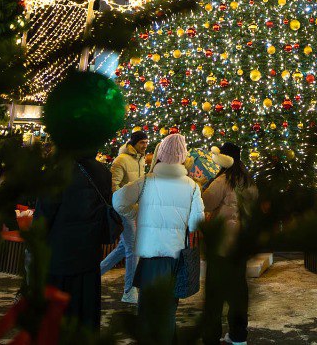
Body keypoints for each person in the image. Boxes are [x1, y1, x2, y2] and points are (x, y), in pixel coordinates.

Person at [114, 133, 205, 344]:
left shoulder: (146, 181)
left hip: (149, 256)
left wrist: (138, 213)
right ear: (182, 158)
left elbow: (118, 201)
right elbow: (196, 223)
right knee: (168, 310)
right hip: (175, 257)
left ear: (161, 155)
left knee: (147, 310)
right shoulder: (192, 186)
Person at [36, 153, 114, 329]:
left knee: (57, 314)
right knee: (85, 309)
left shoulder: (58, 171)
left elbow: (44, 215)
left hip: (59, 254)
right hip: (89, 253)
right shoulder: (102, 171)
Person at [201, 142, 256, 345]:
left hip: (221, 245)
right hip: (240, 244)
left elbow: (206, 202)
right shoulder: (248, 180)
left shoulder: (223, 180)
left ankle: (211, 336)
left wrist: (201, 186)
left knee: (215, 292)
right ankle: (238, 335)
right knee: (239, 290)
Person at [101, 130, 149, 303]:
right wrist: (122, 202)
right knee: (132, 249)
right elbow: (114, 185)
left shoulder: (141, 159)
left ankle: (96, 272)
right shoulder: (121, 160)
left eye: (146, 142)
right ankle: (129, 291)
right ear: (134, 143)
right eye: (142, 142)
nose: (145, 145)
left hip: (134, 208)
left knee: (124, 247)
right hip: (123, 209)